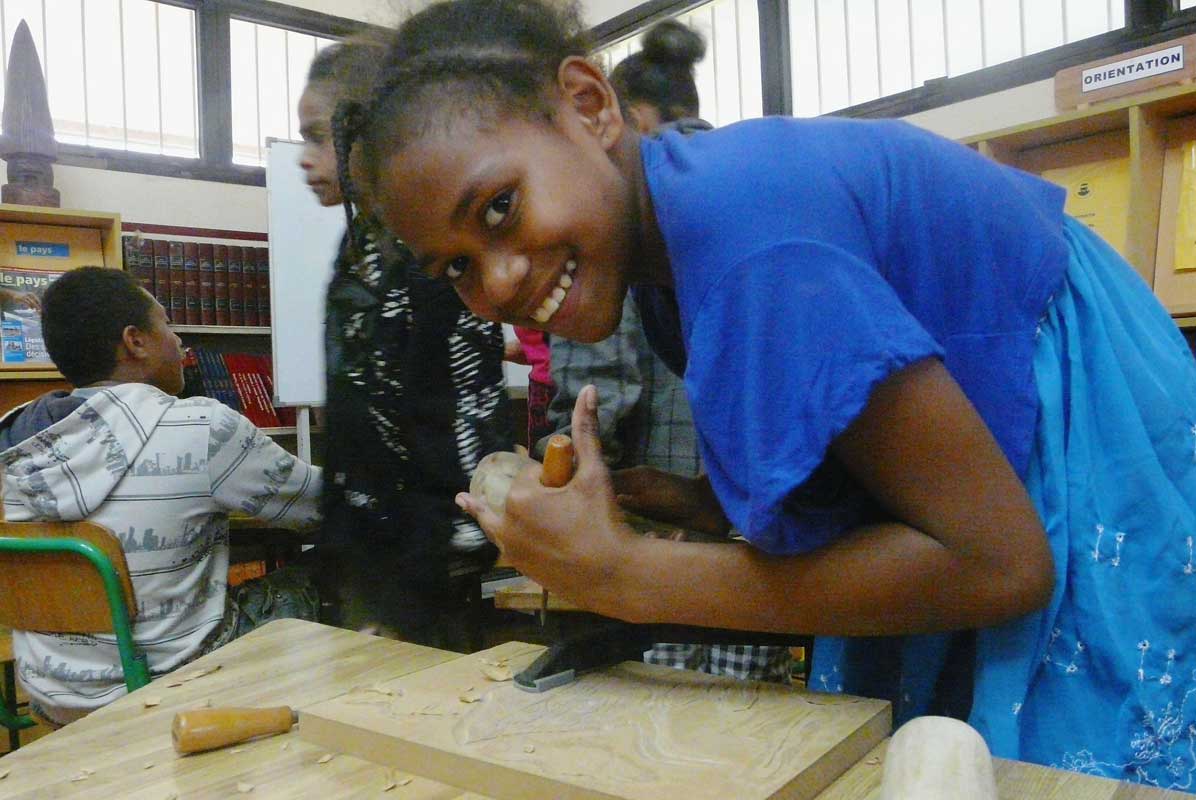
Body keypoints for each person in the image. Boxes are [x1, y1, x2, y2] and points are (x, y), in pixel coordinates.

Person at [335, 0, 1196, 786]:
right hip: (1013, 433)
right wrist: (704, 506)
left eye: (498, 209)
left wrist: (626, 575)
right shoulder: (665, 252)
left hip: (1079, 406)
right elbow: (871, 448)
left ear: (591, 106)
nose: (497, 282)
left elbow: (1000, 565)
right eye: (455, 268)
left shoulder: (748, 243)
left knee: (1077, 754)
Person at [541, 19, 791, 685]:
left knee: (675, 695)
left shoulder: (622, 218)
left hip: (667, 532)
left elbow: (602, 396)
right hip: (761, 520)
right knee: (755, 698)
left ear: (618, 118)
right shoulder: (738, 188)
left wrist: (570, 482)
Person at [0, 267, 322, 726]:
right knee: (334, 568)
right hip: (168, 688)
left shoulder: (16, 439)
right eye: (167, 324)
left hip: (55, 696)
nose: (179, 341)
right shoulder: (201, 427)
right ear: (135, 341)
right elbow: (321, 505)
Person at [299, 39, 512, 647]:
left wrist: (413, 584)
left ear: (366, 131)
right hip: (367, 551)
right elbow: (357, 410)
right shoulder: (358, 246)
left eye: (317, 137)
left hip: (426, 565)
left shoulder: (434, 251)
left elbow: (455, 421)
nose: (304, 158)